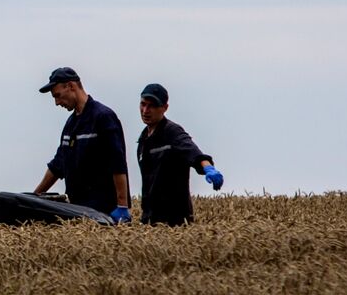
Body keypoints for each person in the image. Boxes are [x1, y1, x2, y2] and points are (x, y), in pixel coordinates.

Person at [33, 67, 132, 223]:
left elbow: (117, 163)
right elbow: (58, 165)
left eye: (58, 96)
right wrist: (34, 197)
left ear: (71, 86)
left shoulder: (103, 117)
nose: (57, 103)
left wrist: (122, 206)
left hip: (103, 211)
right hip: (77, 210)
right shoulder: (70, 124)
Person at [136, 83, 224, 225]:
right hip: (150, 220)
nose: (145, 110)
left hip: (175, 221)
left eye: (152, 106)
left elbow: (193, 152)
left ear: (165, 108)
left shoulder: (172, 132)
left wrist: (209, 168)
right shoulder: (143, 140)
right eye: (143, 104)